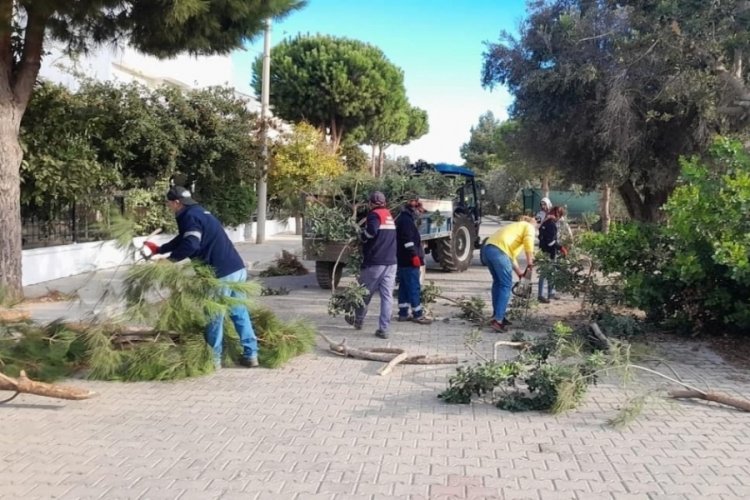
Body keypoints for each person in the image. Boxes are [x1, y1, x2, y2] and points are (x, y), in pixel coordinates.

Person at [142, 185, 259, 368]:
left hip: (219, 274)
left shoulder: (187, 217)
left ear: (176, 203)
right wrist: (160, 249)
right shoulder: (198, 212)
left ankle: (213, 360)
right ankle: (251, 355)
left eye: (169, 203)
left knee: (214, 315)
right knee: (239, 313)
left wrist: (169, 261)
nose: (169, 207)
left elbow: (191, 245)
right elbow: (183, 238)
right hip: (236, 268)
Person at [346, 191, 398, 339]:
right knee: (387, 297)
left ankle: (359, 320)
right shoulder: (389, 215)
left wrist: (362, 236)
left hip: (375, 262)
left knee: (364, 293)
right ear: (384, 202)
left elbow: (372, 231)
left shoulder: (374, 215)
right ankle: (384, 329)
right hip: (391, 262)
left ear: (371, 203)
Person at [480, 216, 536, 332]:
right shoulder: (528, 226)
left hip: (488, 250)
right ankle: (498, 321)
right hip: (499, 252)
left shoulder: (514, 228)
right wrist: (530, 262)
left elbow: (511, 257)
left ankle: (497, 315)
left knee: (498, 283)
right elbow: (528, 242)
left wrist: (520, 273)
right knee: (505, 285)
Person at [395, 198, 432, 325]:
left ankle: (403, 313)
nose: (421, 213)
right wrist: (414, 256)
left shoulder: (404, 219)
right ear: (414, 209)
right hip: (409, 260)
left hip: (403, 260)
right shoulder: (406, 221)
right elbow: (408, 241)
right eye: (420, 210)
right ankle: (418, 314)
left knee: (404, 287)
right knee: (413, 287)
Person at [537, 206, 567, 303]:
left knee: (550, 272)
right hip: (549, 252)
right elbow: (551, 242)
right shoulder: (551, 224)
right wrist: (561, 248)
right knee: (545, 272)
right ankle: (541, 295)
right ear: (558, 214)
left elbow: (540, 235)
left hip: (543, 250)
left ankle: (550, 293)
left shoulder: (545, 222)